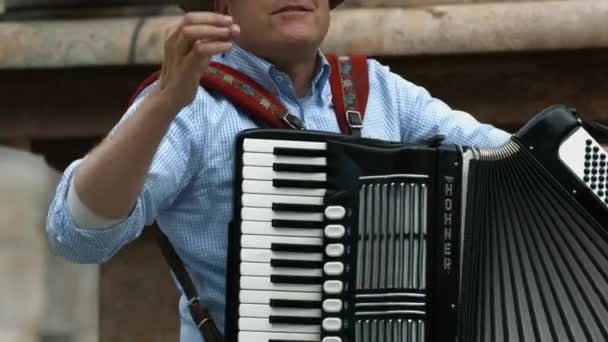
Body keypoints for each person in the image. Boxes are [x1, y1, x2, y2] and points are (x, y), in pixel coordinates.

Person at [45, 0, 511, 341]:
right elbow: (79, 235)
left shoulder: (383, 92)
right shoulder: (192, 107)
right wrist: (165, 102)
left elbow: (510, 162)